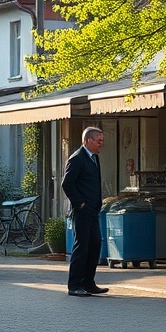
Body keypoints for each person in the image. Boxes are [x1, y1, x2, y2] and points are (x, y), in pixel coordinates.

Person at [62, 126, 108, 297]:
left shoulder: (94, 158)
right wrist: (79, 203)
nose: (101, 144)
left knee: (95, 245)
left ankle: (88, 282)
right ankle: (74, 284)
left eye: (102, 141)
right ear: (88, 140)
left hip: (93, 210)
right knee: (82, 246)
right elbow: (67, 184)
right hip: (83, 210)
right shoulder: (77, 158)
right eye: (99, 141)